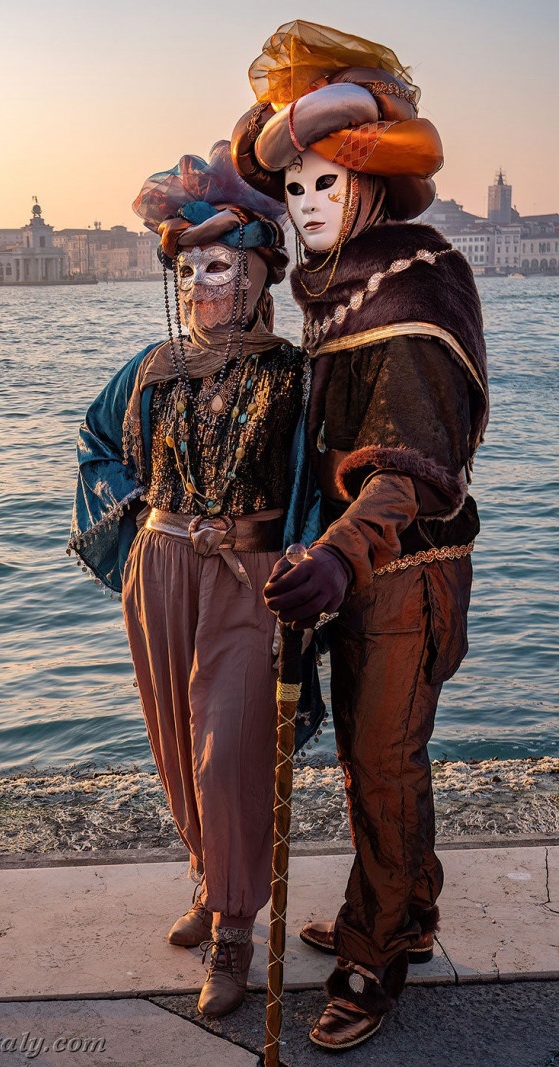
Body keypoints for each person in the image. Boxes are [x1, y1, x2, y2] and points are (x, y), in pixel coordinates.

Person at [231, 21, 489, 1050]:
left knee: (382, 764)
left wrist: (338, 552)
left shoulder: (416, 279)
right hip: (354, 565)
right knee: (364, 757)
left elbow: (415, 459)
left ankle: (374, 958)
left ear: (369, 187)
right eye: (290, 189)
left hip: (404, 561)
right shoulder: (335, 286)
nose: (305, 206)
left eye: (324, 185)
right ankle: (403, 910)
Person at [69, 142, 322, 1018]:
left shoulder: (294, 377)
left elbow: (315, 486)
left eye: (220, 266)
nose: (201, 285)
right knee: (177, 745)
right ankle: (207, 881)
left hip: (247, 579)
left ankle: (235, 932)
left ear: (257, 274)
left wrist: (306, 562)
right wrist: (134, 501)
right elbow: (93, 442)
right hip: (162, 567)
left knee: (229, 754)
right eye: (188, 269)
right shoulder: (150, 368)